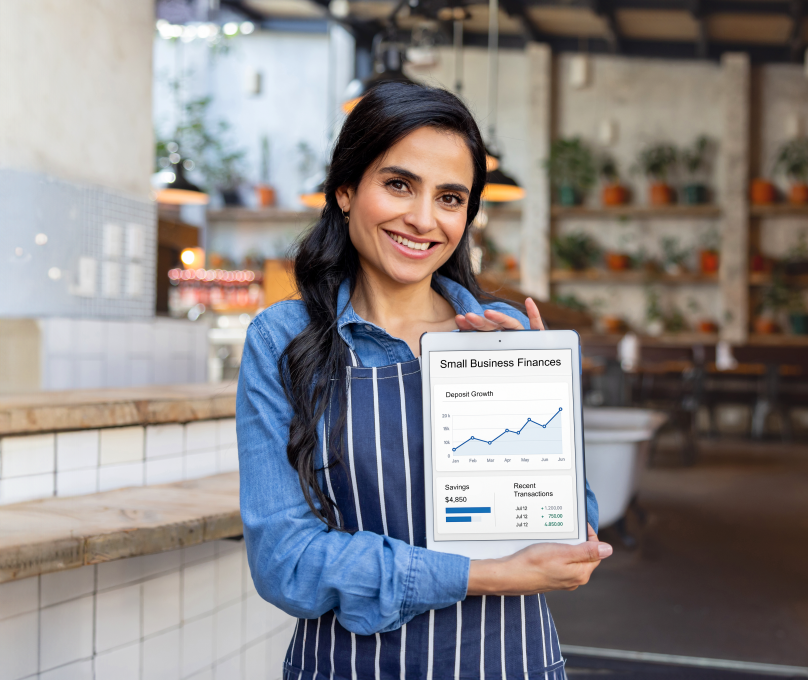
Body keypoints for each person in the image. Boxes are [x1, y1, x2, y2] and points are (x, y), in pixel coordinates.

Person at [236, 81, 610, 680]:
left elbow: (570, 533)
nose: (423, 218)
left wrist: (538, 393)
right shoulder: (281, 341)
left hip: (508, 662)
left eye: (451, 197)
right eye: (398, 184)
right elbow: (287, 564)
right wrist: (483, 575)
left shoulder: (500, 335)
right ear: (345, 190)